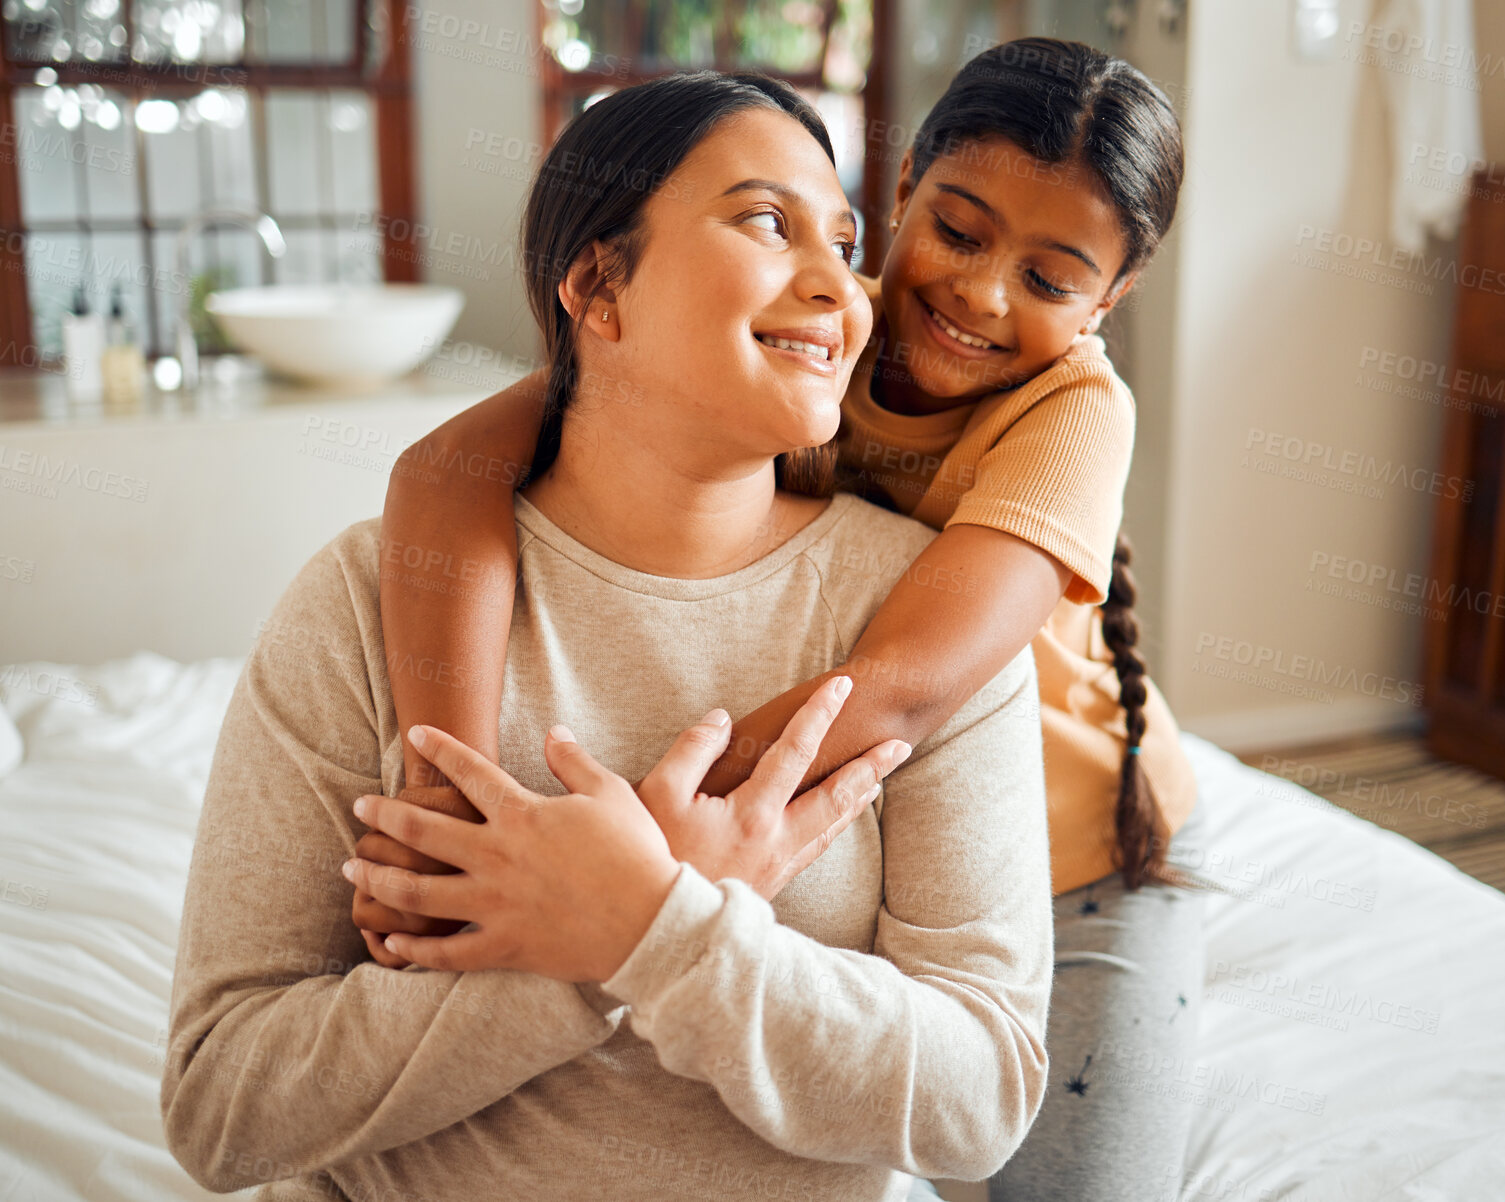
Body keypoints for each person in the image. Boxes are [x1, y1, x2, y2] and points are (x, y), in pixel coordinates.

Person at [161, 70, 1052, 1202]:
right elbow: (220, 1103)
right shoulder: (364, 595)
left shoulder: (923, 617)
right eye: (767, 222)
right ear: (598, 284)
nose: (842, 286)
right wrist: (602, 950)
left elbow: (979, 1102)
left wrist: (655, 925)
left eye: (844, 238)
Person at [358, 37, 1213, 1201]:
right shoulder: (813, 322)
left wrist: (619, 863)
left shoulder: (1076, 411)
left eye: (1051, 280)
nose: (979, 293)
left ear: (1109, 300)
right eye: (957, 232)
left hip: (1081, 857)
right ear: (904, 182)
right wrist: (446, 802)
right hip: (876, 834)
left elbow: (905, 683)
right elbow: (445, 469)